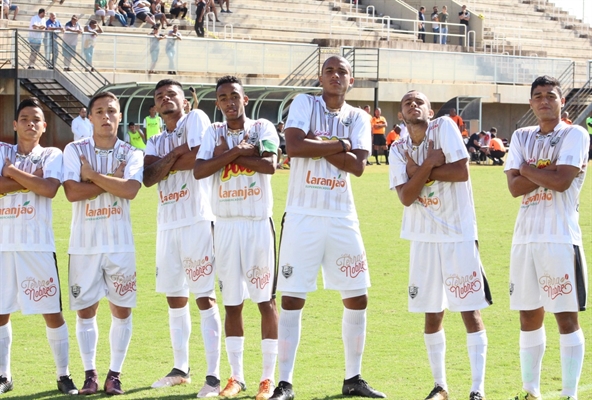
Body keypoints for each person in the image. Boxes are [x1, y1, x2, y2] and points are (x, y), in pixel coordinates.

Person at [270, 55, 385, 400]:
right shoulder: (304, 102)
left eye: (343, 71)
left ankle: (353, 378)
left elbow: (358, 166)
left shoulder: (359, 116)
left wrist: (317, 145)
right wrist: (341, 144)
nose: (336, 75)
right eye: (329, 70)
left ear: (352, 80)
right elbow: (293, 146)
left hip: (341, 216)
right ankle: (285, 383)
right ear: (320, 78)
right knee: (291, 297)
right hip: (302, 214)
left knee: (357, 295)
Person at [389, 90, 491, 400]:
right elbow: (406, 197)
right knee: (432, 314)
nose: (413, 104)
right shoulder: (397, 148)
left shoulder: (444, 127)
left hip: (458, 234)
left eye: (419, 101)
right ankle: (441, 386)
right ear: (400, 117)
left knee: (468, 311)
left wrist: (417, 172)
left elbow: (461, 171)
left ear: (430, 111)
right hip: (422, 238)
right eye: (407, 102)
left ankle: (477, 389)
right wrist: (432, 163)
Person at [193, 75, 279, 400]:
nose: (230, 102)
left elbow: (270, 164)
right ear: (217, 103)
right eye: (223, 97)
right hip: (225, 225)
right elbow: (200, 170)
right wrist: (240, 153)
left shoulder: (262, 128)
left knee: (266, 301)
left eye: (235, 96)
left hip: (257, 223)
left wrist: (227, 155)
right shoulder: (212, 132)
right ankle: (236, 376)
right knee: (232, 303)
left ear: (245, 99)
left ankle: (267, 379)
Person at [504, 75, 589, 400]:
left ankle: (570, 393)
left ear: (561, 101)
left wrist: (525, 169)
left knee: (566, 317)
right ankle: (531, 391)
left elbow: (563, 181)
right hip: (525, 240)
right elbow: (513, 189)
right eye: (537, 96)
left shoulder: (575, 134)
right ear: (530, 103)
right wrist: (544, 172)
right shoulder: (522, 135)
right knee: (528, 315)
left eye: (550, 95)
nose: (544, 100)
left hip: (559, 238)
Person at [143, 79, 222, 398]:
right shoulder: (155, 138)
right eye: (160, 96)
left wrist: (170, 161)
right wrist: (178, 152)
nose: (165, 99)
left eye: (171, 94)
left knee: (204, 297)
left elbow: (199, 160)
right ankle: (180, 368)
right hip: (167, 224)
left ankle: (214, 376)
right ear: (155, 107)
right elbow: (148, 178)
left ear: (185, 102)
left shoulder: (197, 119)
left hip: (198, 220)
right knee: (175, 298)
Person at [62, 91, 143, 396]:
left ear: (120, 116)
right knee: (86, 311)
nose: (106, 117)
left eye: (112, 111)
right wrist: (112, 182)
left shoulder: (132, 152)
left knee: (122, 310)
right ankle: (90, 374)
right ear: (90, 116)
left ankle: (115, 375)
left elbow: (131, 190)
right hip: (83, 244)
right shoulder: (73, 149)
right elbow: (71, 192)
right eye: (99, 111)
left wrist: (92, 176)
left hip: (120, 245)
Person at [0, 97, 79, 396]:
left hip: (37, 245)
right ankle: (3, 374)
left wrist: (12, 173)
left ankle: (64, 375)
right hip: (3, 244)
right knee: (0, 311)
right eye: (24, 118)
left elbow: (49, 188)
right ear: (15, 124)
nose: (30, 123)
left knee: (51, 310)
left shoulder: (51, 153)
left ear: (44, 127)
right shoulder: (1, 150)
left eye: (36, 119)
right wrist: (31, 180)